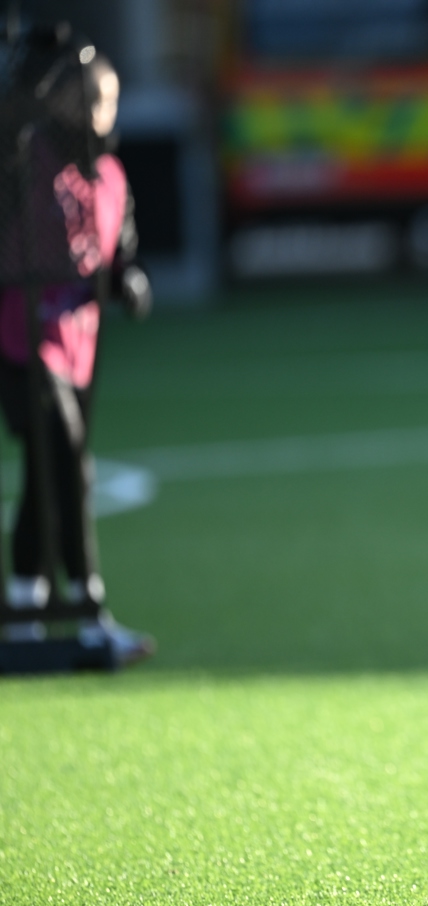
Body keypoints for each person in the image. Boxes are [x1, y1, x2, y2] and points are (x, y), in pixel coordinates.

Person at [0, 41, 154, 666]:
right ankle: (89, 610)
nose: (100, 114)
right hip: (21, 337)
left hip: (79, 345)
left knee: (49, 470)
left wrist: (129, 282)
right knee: (67, 461)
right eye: (88, 101)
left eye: (108, 102)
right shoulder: (24, 163)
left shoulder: (110, 176)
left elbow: (119, 252)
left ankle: (24, 607)